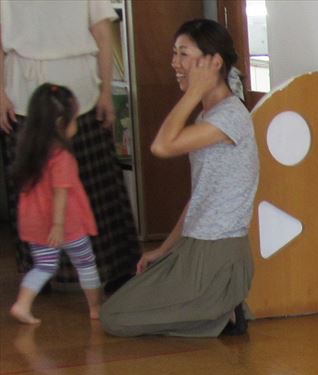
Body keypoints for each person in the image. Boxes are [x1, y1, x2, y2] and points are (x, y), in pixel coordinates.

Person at [99, 18, 257, 338]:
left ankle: (222, 310)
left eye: (184, 54)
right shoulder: (206, 116)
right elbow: (199, 197)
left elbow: (162, 146)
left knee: (114, 317)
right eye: (175, 54)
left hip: (217, 253)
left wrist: (193, 91)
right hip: (195, 245)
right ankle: (216, 308)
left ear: (214, 62)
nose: (175, 63)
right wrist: (165, 248)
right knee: (118, 293)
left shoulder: (230, 117)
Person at [0, 0, 140, 289]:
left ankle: (114, 268)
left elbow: (103, 34)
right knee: (33, 190)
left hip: (81, 94)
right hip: (24, 95)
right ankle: (41, 273)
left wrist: (106, 92)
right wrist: (0, 94)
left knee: (95, 185)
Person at [9, 82, 99, 324]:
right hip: (67, 223)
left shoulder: (30, 150)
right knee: (85, 262)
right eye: (75, 118)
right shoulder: (62, 156)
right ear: (61, 124)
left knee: (44, 265)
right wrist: (58, 225)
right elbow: (61, 192)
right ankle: (95, 308)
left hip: (35, 222)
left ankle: (22, 304)